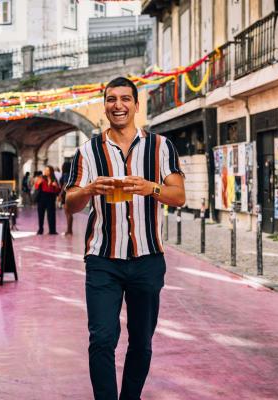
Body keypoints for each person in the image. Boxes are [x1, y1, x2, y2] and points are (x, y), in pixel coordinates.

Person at [65, 77, 185, 400]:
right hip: (103, 260)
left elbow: (179, 195)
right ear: (104, 105)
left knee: (142, 341)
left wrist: (151, 188)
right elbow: (69, 202)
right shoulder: (87, 152)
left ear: (136, 104)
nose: (118, 105)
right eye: (111, 99)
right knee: (102, 339)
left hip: (148, 260)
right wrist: (90, 189)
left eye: (125, 99)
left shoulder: (161, 147)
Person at [35, 165, 60, 235]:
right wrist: (38, 182)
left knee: (51, 214)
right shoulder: (41, 178)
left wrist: (56, 186)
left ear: (51, 171)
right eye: (45, 170)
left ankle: (52, 230)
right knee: (41, 214)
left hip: (51, 197)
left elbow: (57, 190)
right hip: (42, 197)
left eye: (47, 170)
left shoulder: (54, 179)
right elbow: (36, 186)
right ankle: (40, 230)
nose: (45, 171)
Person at [59, 160, 73, 235]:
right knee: (69, 212)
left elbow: (65, 184)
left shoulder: (66, 174)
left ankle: (69, 230)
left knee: (67, 212)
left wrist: (60, 194)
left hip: (65, 194)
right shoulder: (70, 174)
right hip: (69, 193)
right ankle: (69, 230)